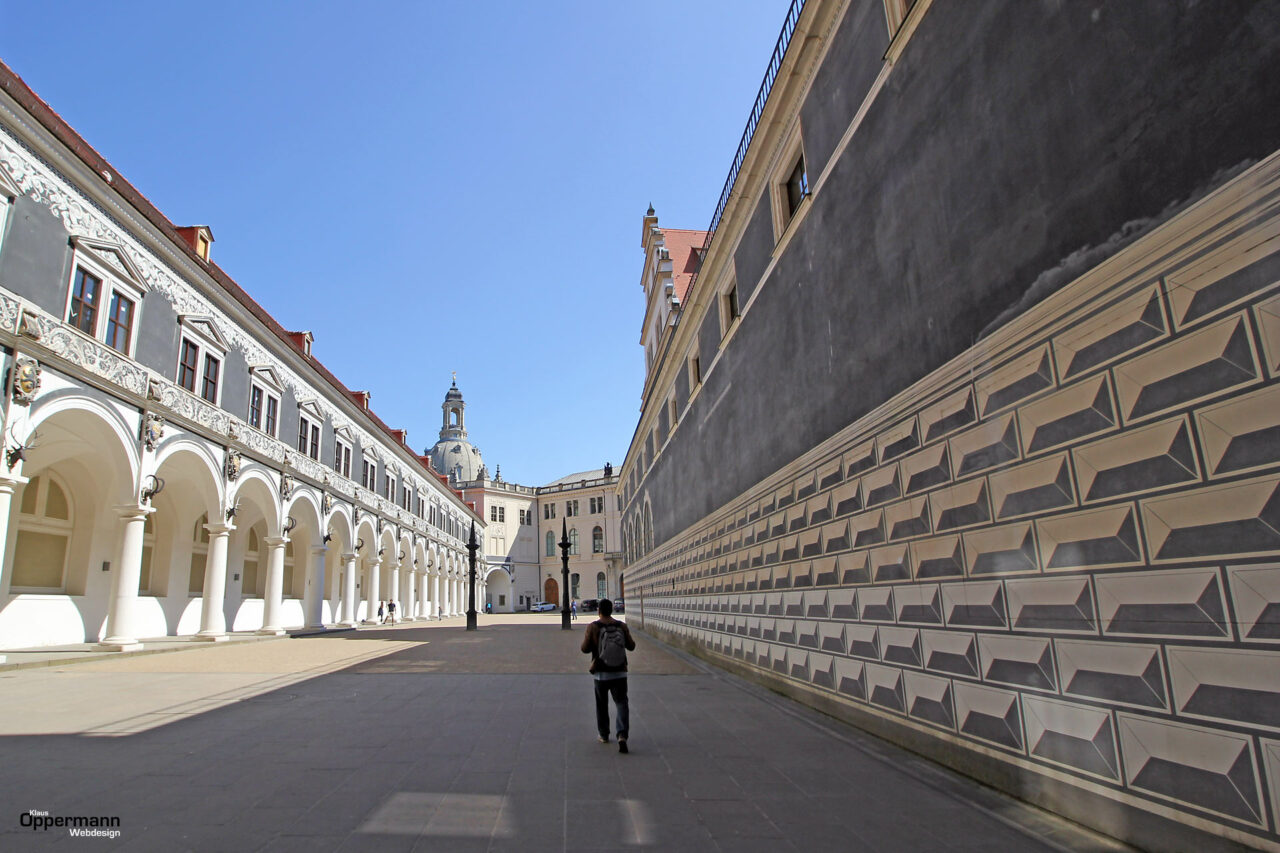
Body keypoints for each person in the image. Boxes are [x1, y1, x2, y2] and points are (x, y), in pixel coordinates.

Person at [581, 599, 636, 753]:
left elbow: (584, 649)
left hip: (601, 673)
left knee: (602, 704)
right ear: (612, 610)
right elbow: (631, 646)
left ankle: (604, 734)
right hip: (619, 671)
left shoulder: (593, 627)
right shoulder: (621, 626)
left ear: (599, 610)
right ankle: (622, 735)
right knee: (621, 703)